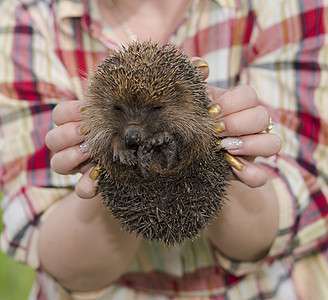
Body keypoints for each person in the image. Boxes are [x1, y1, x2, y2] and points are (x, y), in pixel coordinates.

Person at [0, 0, 327, 299]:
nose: (132, 130)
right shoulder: (25, 18)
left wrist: (222, 154)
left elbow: (305, 201)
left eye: (154, 110)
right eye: (117, 112)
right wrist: (109, 170)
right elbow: (63, 260)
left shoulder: (282, 7)